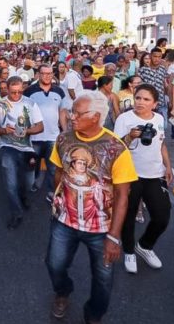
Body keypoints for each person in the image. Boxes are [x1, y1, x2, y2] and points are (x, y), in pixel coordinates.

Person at [46, 90, 138, 322]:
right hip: (64, 221)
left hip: (101, 228)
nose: (71, 116)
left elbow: (122, 196)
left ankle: (94, 313)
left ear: (95, 116)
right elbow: (58, 171)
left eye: (77, 113)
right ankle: (63, 292)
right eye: (71, 112)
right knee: (54, 264)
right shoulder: (64, 139)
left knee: (103, 278)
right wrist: (58, 201)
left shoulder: (116, 148)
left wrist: (114, 237)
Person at [113, 85, 173, 275]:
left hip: (155, 173)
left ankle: (145, 246)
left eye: (146, 99)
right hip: (130, 175)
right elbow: (115, 147)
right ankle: (129, 251)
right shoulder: (125, 119)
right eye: (138, 98)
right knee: (128, 215)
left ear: (155, 104)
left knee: (162, 215)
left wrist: (168, 166)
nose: (140, 102)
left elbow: (161, 143)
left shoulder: (159, 119)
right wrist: (130, 136)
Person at [0, 76, 44, 229]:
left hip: (26, 148)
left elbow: (40, 126)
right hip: (7, 147)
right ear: (7, 89)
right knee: (10, 184)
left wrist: (27, 131)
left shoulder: (30, 103)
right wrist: (4, 130)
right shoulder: (1, 105)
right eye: (13, 92)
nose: (17, 95)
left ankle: (23, 195)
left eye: (20, 91)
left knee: (28, 183)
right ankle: (17, 213)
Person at [25, 64, 67, 201]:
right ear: (38, 74)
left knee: (53, 168)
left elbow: (62, 112)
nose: (47, 76)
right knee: (31, 165)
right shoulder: (29, 91)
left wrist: (65, 131)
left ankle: (51, 192)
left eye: (50, 73)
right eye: (44, 73)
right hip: (34, 136)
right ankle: (32, 185)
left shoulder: (59, 91)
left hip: (53, 136)